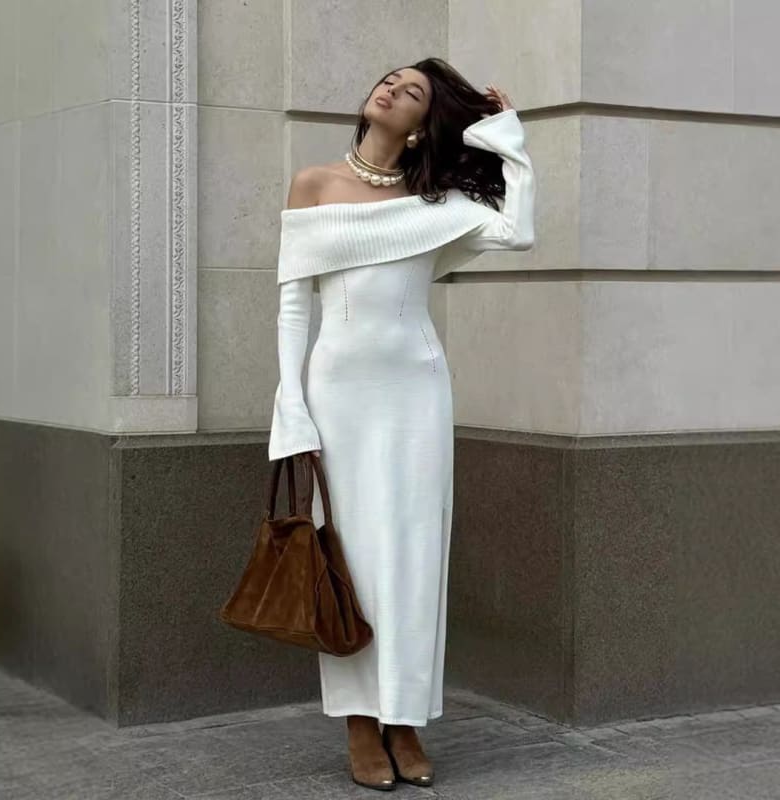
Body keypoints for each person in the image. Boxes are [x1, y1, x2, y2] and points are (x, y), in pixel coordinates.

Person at [268, 57, 536, 791]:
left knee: (416, 553)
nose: (390, 88)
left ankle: (405, 719)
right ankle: (361, 725)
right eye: (388, 79)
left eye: (412, 92)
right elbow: (295, 304)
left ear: (423, 128)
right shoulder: (314, 185)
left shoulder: (436, 202)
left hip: (417, 388)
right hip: (338, 391)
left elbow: (517, 231)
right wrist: (289, 403)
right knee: (348, 554)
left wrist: (507, 138)